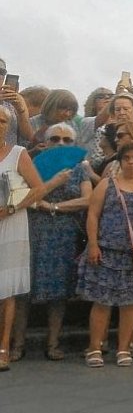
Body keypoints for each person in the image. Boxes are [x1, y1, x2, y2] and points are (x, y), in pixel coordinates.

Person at [77, 141, 133, 368]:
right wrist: (93, 244)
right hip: (107, 252)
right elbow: (93, 215)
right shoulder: (107, 184)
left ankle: (123, 348)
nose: (131, 162)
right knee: (101, 302)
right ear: (120, 161)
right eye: (126, 158)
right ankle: (95, 347)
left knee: (131, 304)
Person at [0, 106, 71, 371]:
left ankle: (3, 348)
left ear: (9, 126)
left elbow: (38, 189)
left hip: (11, 223)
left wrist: (11, 208)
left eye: (2, 121)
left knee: (7, 289)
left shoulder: (18, 153)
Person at [27, 123, 91, 361]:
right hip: (35, 231)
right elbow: (24, 197)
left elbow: (88, 200)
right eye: (55, 139)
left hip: (66, 233)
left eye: (67, 140)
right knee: (25, 288)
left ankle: (53, 343)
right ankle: (17, 343)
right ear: (45, 142)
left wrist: (54, 207)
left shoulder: (79, 168)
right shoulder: (32, 165)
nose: (61, 144)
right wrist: (54, 183)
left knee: (60, 292)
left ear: (74, 144)